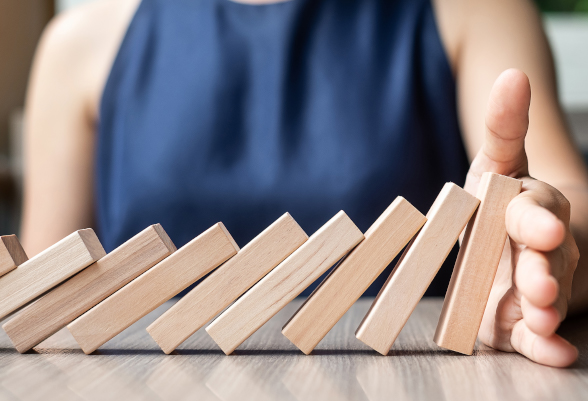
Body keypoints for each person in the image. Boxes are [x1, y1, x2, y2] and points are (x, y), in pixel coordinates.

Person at [20, 0, 588, 367]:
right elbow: (40, 305)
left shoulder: (474, 10)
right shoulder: (79, 44)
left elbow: (565, 195)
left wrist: (538, 251)